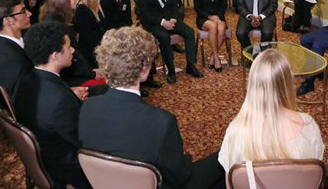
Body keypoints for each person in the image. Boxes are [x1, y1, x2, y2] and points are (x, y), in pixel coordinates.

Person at [78, 26, 224, 189]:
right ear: (144, 71)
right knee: (223, 161)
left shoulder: (87, 107)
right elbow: (179, 177)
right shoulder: (161, 122)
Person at [218, 49, 324, 172]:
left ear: (253, 84)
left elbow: (231, 182)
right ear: (288, 83)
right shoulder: (309, 125)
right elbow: (316, 174)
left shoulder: (236, 131)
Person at [14, 22, 91, 188]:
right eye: (69, 46)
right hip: (69, 167)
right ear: (55, 55)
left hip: (46, 149)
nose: (72, 50)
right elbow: (84, 141)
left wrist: (69, 94)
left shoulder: (27, 81)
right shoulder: (59, 100)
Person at [137, 0, 203, 84]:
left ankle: (190, 65)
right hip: (155, 23)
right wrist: (162, 22)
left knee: (189, 32)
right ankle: (171, 70)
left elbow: (174, 5)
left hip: (171, 19)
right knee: (164, 36)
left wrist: (173, 18)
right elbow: (145, 13)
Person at [39, 0, 102, 88]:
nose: (77, 0)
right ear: (62, 0)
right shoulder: (55, 25)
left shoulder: (58, 18)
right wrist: (91, 73)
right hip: (68, 79)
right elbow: (70, 58)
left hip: (75, 72)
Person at [0, 0, 32, 98]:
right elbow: (24, 100)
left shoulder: (13, 45)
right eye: (23, 11)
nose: (29, 13)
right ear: (8, 20)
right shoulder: (12, 61)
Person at [193, 0, 228, 72]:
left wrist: (218, 16)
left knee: (221, 27)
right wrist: (210, 16)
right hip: (203, 17)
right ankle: (216, 59)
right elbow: (197, 7)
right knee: (213, 26)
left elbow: (224, 4)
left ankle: (213, 55)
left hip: (219, 16)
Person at [74, 0, 105, 68]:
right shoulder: (82, 9)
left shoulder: (96, 5)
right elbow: (87, 39)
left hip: (99, 52)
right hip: (90, 57)